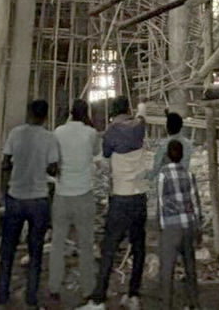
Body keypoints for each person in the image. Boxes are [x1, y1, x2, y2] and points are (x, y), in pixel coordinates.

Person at [80, 98, 147, 310]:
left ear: (113, 113)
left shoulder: (111, 132)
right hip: (140, 197)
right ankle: (133, 295)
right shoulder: (140, 126)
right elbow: (142, 114)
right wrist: (141, 108)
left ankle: (99, 299)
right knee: (138, 247)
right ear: (128, 110)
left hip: (121, 197)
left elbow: (107, 154)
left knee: (109, 248)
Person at [0, 100, 59, 309]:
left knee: (8, 249)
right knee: (35, 251)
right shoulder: (49, 138)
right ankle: (31, 296)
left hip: (16, 196)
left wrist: (16, 169)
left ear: (28, 113)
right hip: (39, 198)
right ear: (45, 116)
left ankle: (2, 293)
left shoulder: (15, 133)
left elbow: (5, 163)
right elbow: (52, 169)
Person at [49, 100, 99, 302]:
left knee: (58, 244)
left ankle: (54, 287)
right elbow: (95, 154)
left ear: (70, 113)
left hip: (62, 193)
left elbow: (54, 160)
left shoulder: (58, 132)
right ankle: (87, 290)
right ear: (85, 113)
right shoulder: (91, 133)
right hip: (84, 194)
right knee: (86, 245)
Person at [157, 140, 201, 310]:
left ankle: (166, 305)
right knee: (190, 265)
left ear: (167, 156)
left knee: (167, 269)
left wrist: (161, 227)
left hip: (171, 226)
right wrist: (197, 227)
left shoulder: (163, 175)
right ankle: (193, 303)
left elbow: (161, 202)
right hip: (188, 225)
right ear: (182, 156)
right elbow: (195, 204)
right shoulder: (189, 175)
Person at [153, 112, 192, 179]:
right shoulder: (188, 144)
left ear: (167, 127)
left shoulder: (164, 145)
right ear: (181, 126)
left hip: (166, 180)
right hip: (183, 178)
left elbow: (156, 168)